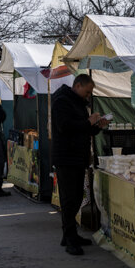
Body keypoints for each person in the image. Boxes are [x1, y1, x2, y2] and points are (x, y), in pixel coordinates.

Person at [51, 74, 107, 256]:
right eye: (87, 91)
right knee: (70, 199)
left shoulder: (78, 103)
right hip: (66, 157)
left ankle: (69, 235)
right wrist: (88, 121)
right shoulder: (62, 101)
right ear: (77, 85)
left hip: (77, 157)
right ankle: (69, 237)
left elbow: (83, 129)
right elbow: (64, 127)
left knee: (75, 197)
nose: (89, 95)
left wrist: (98, 126)